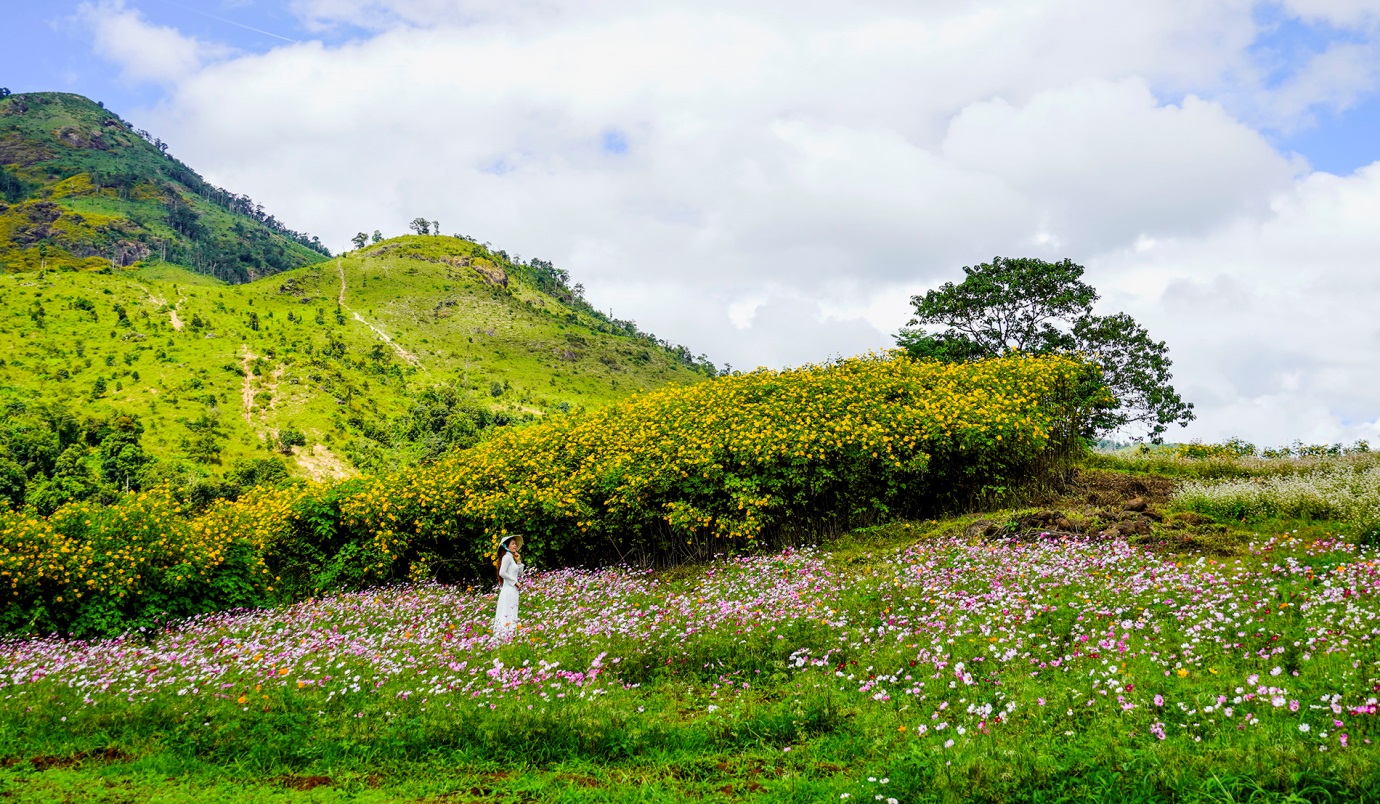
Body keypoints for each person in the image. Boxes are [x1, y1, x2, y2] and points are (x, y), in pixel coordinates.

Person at [492, 534, 524, 640]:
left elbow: (520, 574)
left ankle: (511, 634)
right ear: (506, 546)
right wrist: (515, 582)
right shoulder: (506, 557)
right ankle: (505, 635)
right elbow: (502, 573)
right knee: (507, 611)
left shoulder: (511, 558)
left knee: (512, 610)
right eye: (513, 544)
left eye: (515, 544)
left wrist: (518, 561)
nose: (515, 546)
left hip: (513, 590)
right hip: (509, 589)